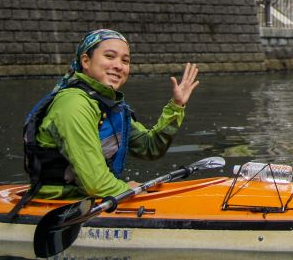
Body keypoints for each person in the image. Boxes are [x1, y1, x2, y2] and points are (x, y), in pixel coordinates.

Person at [20, 29, 200, 201]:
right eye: (109, 56)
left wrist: (176, 107)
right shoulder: (73, 104)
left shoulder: (109, 105)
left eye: (125, 61)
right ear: (85, 61)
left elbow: (150, 147)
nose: (118, 66)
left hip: (93, 197)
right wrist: (131, 191)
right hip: (60, 201)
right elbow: (96, 184)